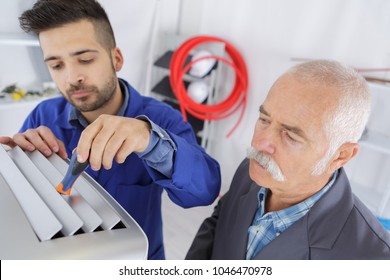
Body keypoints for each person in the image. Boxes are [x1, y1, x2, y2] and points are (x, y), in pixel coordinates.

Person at [0, 0, 221, 260]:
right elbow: (23, 201)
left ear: (116, 59)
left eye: (85, 59)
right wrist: (15, 166)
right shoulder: (43, 116)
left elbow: (205, 190)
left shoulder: (162, 118)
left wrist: (150, 142)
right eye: (57, 65)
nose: (72, 77)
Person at [186, 60, 390, 260]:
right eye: (264, 120)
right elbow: (218, 226)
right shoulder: (252, 171)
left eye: (291, 136)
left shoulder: (372, 258)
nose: (260, 143)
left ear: (340, 155)